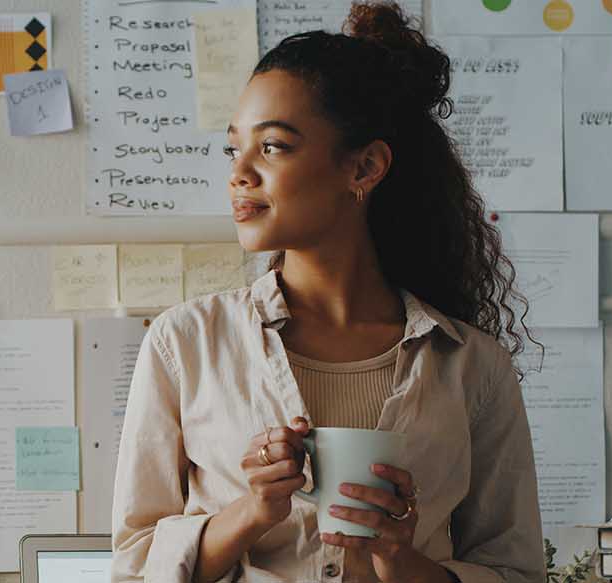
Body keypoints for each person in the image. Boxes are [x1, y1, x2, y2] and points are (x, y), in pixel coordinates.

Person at [110, 3, 545, 582]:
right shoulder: (184, 343)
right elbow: (133, 566)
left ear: (364, 168)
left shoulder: (473, 366)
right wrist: (252, 510)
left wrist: (401, 560)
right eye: (233, 148)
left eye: (273, 147)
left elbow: (515, 573)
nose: (239, 172)